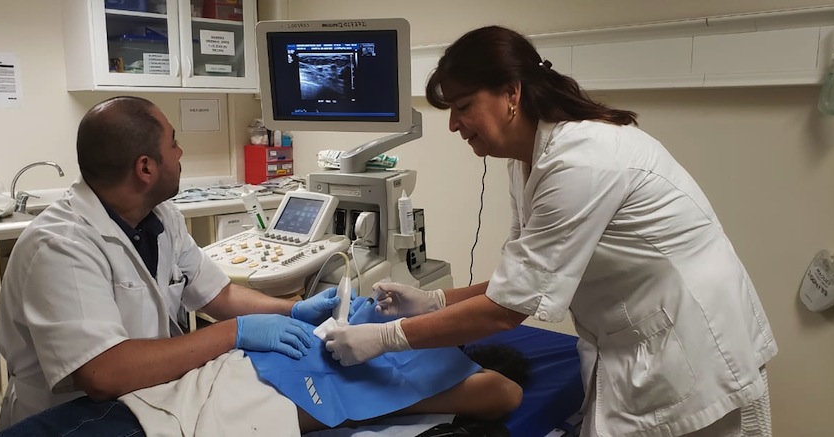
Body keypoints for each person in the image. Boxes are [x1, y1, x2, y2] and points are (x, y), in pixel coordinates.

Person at [323, 26, 778, 437]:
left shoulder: (582, 159)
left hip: (691, 348)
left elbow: (506, 310)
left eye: (463, 106)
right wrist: (436, 301)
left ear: (511, 93)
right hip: (634, 339)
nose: (453, 124)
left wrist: (386, 337)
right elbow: (523, 277)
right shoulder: (528, 160)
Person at [0, 96, 522, 435]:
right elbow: (104, 374)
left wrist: (293, 312)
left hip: (169, 387)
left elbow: (217, 296)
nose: (181, 153)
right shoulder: (60, 246)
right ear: (145, 167)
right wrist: (240, 334)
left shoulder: (157, 215)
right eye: (175, 143)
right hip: (84, 412)